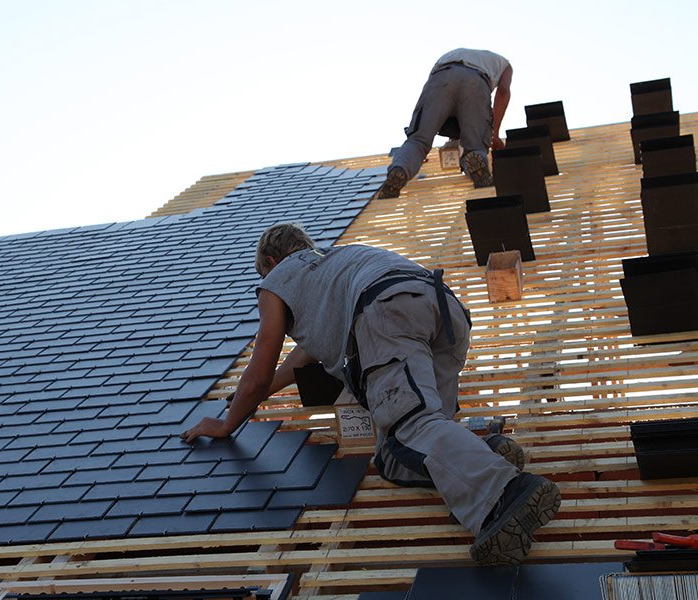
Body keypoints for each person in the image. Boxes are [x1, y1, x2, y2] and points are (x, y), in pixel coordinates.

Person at [181, 223, 560, 566]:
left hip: (387, 315)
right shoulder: (336, 265)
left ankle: (507, 493)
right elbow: (296, 360)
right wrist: (248, 399)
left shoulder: (278, 277)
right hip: (442, 309)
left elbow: (260, 370)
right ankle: (486, 455)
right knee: (395, 455)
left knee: (413, 426)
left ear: (270, 261)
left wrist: (228, 422)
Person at [377, 48, 513, 198]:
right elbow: (503, 92)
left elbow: (441, 107)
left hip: (441, 77)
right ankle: (477, 161)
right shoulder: (504, 65)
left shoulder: (453, 54)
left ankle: (400, 169)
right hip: (477, 81)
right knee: (476, 144)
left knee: (418, 141)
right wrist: (494, 134)